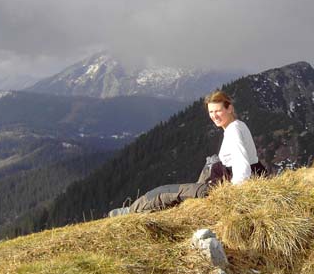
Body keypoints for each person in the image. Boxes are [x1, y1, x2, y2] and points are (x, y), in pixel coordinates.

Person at [108, 90, 266, 216]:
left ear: (229, 108)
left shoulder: (233, 131)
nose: (214, 116)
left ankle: (131, 211)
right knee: (197, 179)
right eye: (211, 112)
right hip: (229, 179)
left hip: (223, 187)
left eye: (218, 111)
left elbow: (242, 164)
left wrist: (234, 196)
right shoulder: (239, 125)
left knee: (162, 192)